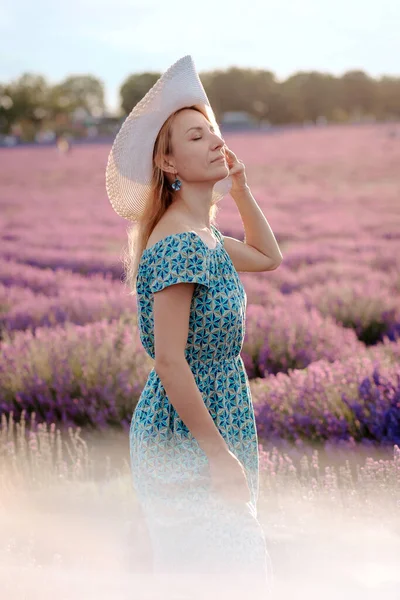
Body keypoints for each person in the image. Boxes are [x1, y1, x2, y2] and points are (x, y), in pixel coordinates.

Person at [105, 55, 282, 599]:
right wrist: (218, 454)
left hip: (216, 419)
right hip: (187, 436)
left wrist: (242, 187)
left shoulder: (205, 239)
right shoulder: (180, 244)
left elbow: (267, 255)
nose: (214, 143)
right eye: (196, 136)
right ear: (169, 163)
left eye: (214, 133)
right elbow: (169, 361)